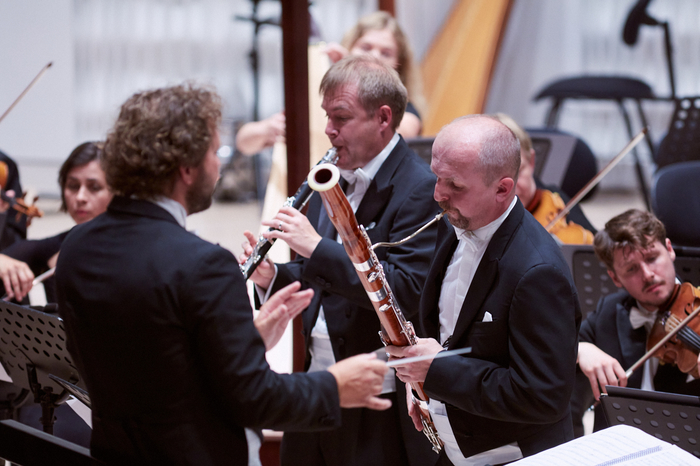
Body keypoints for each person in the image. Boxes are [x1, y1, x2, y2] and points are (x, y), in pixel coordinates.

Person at [55, 83, 391, 465]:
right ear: (186, 168)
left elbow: (149, 363)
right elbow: (255, 400)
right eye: (215, 152)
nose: (218, 165)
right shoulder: (203, 265)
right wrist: (334, 386)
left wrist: (242, 343)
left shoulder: (77, 247)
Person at [242, 55, 439, 466]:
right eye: (327, 116)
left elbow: (405, 291)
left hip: (378, 398)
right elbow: (320, 278)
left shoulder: (420, 189)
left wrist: (316, 247)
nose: (329, 130)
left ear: (383, 118)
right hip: (317, 386)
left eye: (341, 117)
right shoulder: (328, 172)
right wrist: (271, 276)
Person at [385, 115, 581, 466]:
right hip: (454, 449)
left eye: (455, 185)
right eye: (437, 177)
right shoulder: (456, 220)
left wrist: (436, 372)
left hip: (514, 456)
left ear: (503, 189)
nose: (438, 194)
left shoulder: (539, 273)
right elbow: (448, 332)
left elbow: (543, 397)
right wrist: (423, 385)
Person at [571, 209, 700, 436]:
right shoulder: (609, 311)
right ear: (615, 277)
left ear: (669, 249)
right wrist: (581, 350)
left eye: (652, 258)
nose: (648, 274)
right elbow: (558, 346)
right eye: (631, 269)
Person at [236, 11, 426, 156]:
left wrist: (355, 78)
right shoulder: (322, 99)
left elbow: (396, 134)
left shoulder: (407, 113)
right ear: (349, 47)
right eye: (365, 47)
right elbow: (243, 142)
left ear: (399, 65)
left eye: (386, 53)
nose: (374, 57)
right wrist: (269, 129)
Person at [0, 142, 113, 303]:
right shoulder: (56, 246)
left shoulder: (133, 247)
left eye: (94, 187)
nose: (80, 197)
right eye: (73, 186)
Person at [491, 113, 596, 244]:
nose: (511, 188)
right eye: (498, 179)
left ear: (531, 161)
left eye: (518, 172)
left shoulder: (557, 203)